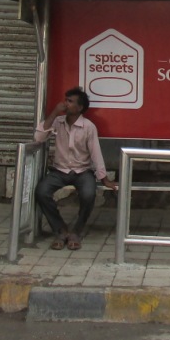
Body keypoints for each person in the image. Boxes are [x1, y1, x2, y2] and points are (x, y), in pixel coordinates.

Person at [34, 87, 118, 250]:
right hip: (60, 170)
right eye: (66, 100)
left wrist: (104, 178)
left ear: (80, 108)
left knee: (88, 194)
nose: (65, 104)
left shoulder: (88, 126)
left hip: (82, 171)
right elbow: (38, 137)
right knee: (41, 192)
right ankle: (61, 230)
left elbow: (96, 152)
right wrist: (53, 113)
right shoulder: (57, 122)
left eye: (70, 101)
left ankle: (76, 232)